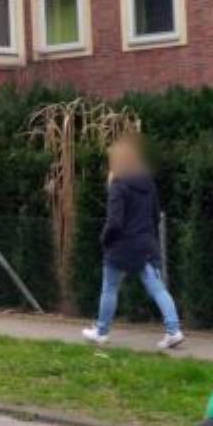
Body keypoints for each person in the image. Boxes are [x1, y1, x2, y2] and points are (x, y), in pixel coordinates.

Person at [82, 136, 185, 350]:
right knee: (158, 289)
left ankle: (101, 332)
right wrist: (147, 235)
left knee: (110, 288)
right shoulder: (148, 184)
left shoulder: (118, 186)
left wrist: (105, 239)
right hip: (146, 244)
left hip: (120, 247)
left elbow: (115, 221)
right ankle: (174, 330)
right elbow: (155, 215)